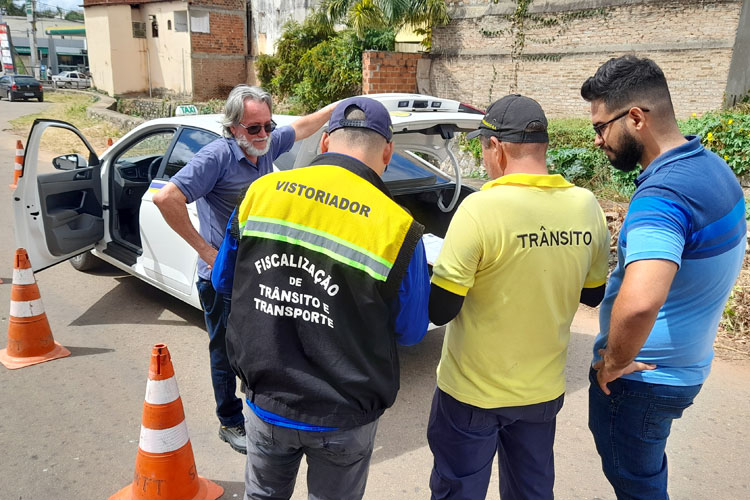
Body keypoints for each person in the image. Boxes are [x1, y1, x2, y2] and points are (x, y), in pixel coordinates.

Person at [221, 96, 430, 500]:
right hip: (346, 415)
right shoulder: (400, 229)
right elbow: (409, 331)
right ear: (388, 152)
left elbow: (224, 280)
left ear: (324, 142)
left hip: (267, 400)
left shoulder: (260, 193)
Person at [427, 94, 610, 500]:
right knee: (531, 492)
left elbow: (440, 310)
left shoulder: (480, 209)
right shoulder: (586, 206)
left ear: (496, 148)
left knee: (458, 490)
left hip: (472, 393)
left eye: (482, 147)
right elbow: (594, 294)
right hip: (541, 393)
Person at [581, 55, 747, 499]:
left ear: (635, 118)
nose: (598, 140)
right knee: (647, 474)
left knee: (639, 488)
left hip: (642, 383)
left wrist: (613, 362)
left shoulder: (663, 197)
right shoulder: (712, 167)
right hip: (687, 367)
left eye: (601, 127)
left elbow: (639, 302)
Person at [153, 84, 334, 454]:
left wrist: (341, 106)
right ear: (234, 128)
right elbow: (166, 197)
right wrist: (208, 253)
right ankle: (229, 420)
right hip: (221, 281)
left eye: (268, 125)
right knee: (224, 351)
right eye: (254, 128)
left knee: (262, 344)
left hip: (257, 274)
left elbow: (302, 126)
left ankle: (263, 410)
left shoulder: (265, 146)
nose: (264, 134)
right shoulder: (217, 157)